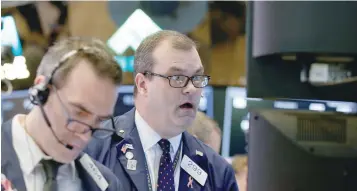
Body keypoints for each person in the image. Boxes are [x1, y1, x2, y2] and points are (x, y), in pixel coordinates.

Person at [86, 30, 238, 191]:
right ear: (143, 84)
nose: (192, 88)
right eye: (177, 78)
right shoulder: (95, 148)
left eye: (197, 77)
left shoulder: (217, 171)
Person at [1, 37, 123, 191]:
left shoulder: (107, 184)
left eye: (99, 121)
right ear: (41, 90)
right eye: (79, 112)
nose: (85, 137)